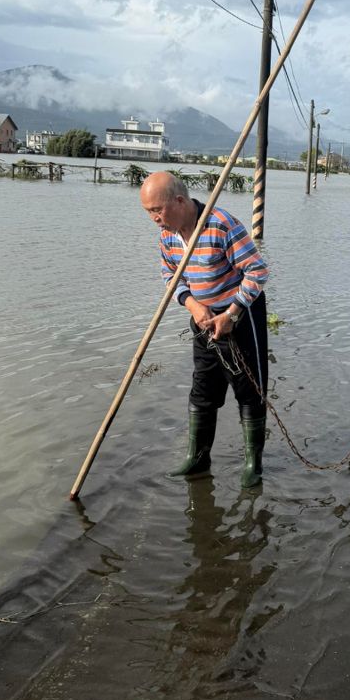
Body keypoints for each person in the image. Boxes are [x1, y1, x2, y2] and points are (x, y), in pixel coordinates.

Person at [138, 171, 271, 485]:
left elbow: (257, 271)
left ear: (180, 201)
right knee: (203, 389)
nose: (155, 218)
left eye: (158, 209)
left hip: (239, 316)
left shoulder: (221, 225)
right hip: (202, 317)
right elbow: (170, 276)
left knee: (248, 390)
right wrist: (194, 305)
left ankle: (253, 464)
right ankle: (197, 458)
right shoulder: (168, 235)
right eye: (149, 212)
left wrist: (232, 313)